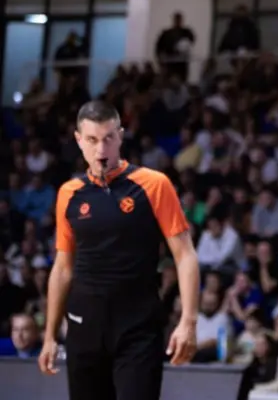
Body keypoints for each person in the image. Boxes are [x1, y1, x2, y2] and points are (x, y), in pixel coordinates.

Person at [38, 100, 200, 400]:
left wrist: (188, 321)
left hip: (138, 328)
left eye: (108, 138)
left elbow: (185, 255)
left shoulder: (154, 184)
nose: (101, 149)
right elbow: (62, 268)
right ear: (78, 140)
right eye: (92, 140)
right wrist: (49, 336)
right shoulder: (68, 193)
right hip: (84, 326)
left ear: (121, 136)